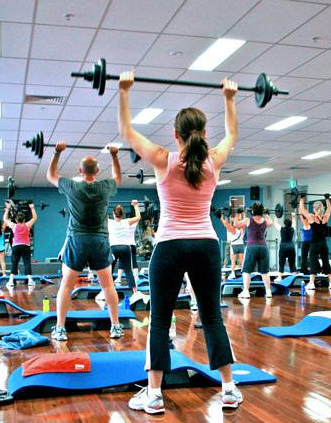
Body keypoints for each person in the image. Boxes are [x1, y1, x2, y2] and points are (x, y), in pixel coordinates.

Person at [118, 70, 242, 413]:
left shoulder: (163, 158)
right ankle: (229, 388)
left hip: (170, 246)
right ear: (204, 134)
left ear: (176, 135)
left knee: (159, 319)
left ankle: (155, 394)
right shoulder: (213, 161)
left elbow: (127, 132)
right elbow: (233, 133)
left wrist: (125, 91)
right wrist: (229, 99)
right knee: (212, 316)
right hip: (205, 244)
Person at [47, 143, 124, 341]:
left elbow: (51, 175)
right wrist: (114, 156)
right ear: (97, 171)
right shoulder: (105, 186)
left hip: (77, 239)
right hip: (99, 240)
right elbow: (118, 178)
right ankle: (115, 326)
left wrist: (57, 152)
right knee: (108, 286)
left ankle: (60, 328)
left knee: (66, 285)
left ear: (79, 171)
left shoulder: (72, 186)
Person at [234, 202, 273, 299]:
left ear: (252, 211)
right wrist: (267, 214)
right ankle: (268, 292)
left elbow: (235, 225)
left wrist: (237, 214)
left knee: (246, 271)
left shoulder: (248, 220)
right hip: (263, 247)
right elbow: (271, 223)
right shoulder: (265, 220)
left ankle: (246, 292)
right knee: (265, 272)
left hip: (252, 247)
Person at [109, 200, 144, 302]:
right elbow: (138, 217)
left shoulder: (109, 221)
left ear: (113, 213)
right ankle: (135, 292)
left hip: (113, 248)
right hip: (125, 248)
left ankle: (106, 292)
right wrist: (135, 205)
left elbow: (98, 214)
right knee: (128, 270)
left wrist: (100, 203)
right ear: (122, 214)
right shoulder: (127, 221)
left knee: (109, 271)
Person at [298, 194, 331, 290]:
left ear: (314, 208)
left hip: (314, 243)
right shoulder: (325, 217)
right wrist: (327, 199)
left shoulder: (312, 217)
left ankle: (311, 283)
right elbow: (329, 209)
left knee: (313, 261)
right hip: (323, 244)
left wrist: (301, 198)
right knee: (326, 262)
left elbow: (302, 209)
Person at [4, 203, 38, 286]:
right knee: (27, 263)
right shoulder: (27, 225)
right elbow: (35, 218)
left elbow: (5, 219)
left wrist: (7, 209)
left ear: (16, 220)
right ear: (24, 219)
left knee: (14, 263)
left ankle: (11, 281)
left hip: (16, 246)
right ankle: (30, 280)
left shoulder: (13, 226)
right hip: (25, 246)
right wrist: (32, 208)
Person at [223, 209, 245, 280]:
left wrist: (222, 216)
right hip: (241, 245)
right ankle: (243, 273)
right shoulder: (242, 229)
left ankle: (232, 274)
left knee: (233, 261)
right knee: (242, 261)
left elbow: (227, 223)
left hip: (234, 246)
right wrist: (243, 214)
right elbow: (243, 221)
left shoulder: (232, 229)